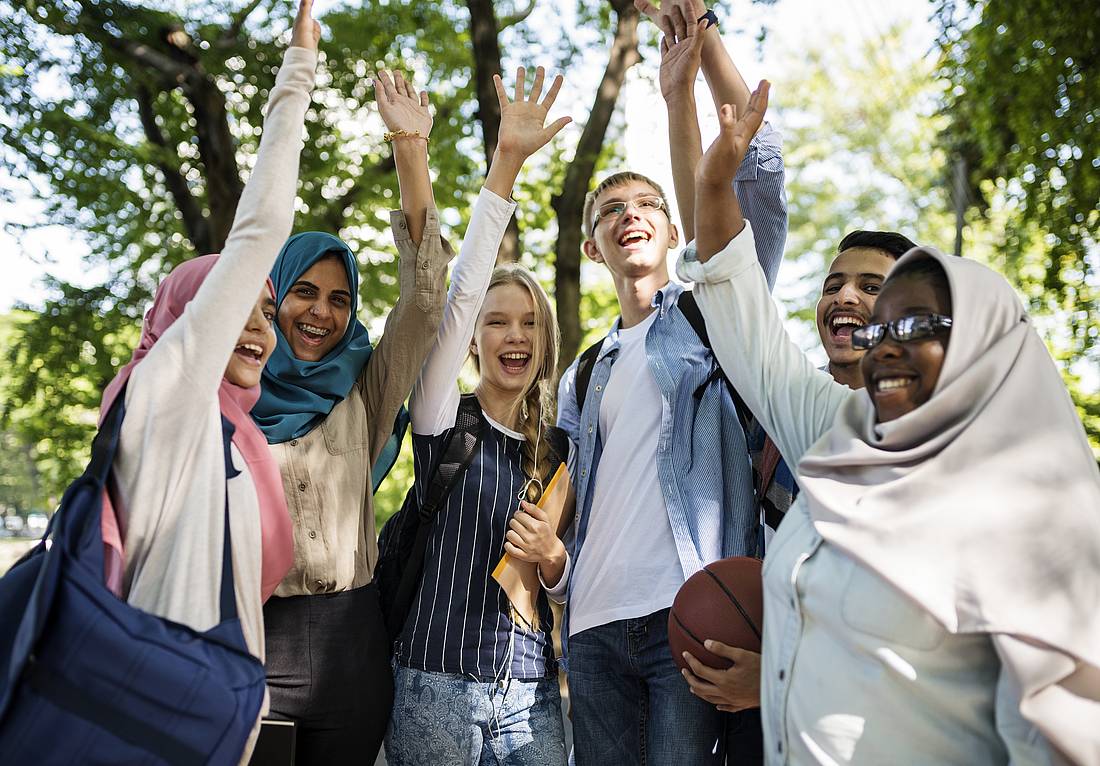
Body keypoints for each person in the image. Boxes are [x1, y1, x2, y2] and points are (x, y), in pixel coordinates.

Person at [678, 75, 1100, 765]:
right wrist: (715, 183)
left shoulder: (1029, 506)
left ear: (983, 344)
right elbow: (739, 309)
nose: (888, 339)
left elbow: (1062, 733)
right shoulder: (840, 432)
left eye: (917, 321)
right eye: (881, 325)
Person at [553, 5, 786, 763]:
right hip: (590, 625)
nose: (630, 216)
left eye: (648, 205)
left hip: (686, 610)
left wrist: (682, 83)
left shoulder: (711, 320)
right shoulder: (584, 372)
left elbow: (753, 182)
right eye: (610, 211)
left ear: (676, 231)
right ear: (593, 247)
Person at [96, 2, 319, 762]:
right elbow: (261, 229)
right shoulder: (166, 394)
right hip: (152, 713)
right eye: (235, 305)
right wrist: (299, 73)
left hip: (219, 723)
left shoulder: (236, 437)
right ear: (189, 320)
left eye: (266, 311)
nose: (257, 327)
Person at [250, 68, 452, 764]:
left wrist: (410, 150)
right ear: (272, 298)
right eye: (304, 292)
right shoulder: (232, 397)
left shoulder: (362, 390)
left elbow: (426, 303)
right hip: (251, 643)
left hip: (351, 643)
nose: (322, 312)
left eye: (340, 299)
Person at [384, 66, 573, 766]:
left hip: (533, 695)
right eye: (497, 323)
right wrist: (506, 165)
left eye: (529, 323)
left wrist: (554, 564)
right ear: (474, 340)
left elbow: (567, 585)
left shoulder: (560, 452)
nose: (514, 336)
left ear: (546, 340)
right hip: (434, 688)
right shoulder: (442, 416)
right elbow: (457, 291)